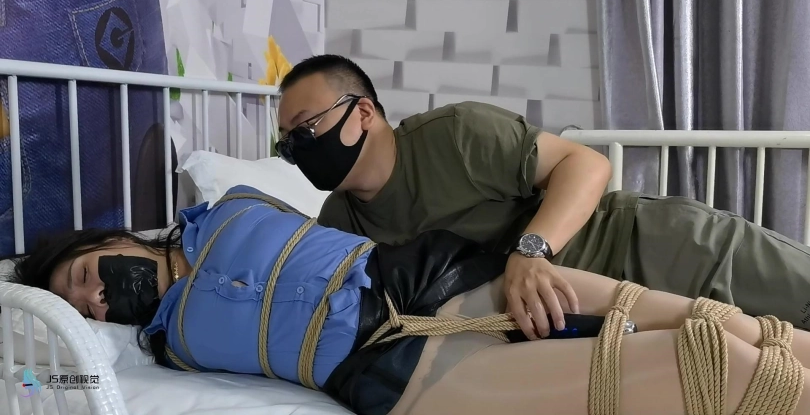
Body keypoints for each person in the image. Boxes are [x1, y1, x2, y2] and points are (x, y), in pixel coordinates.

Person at [7, 185, 810, 415]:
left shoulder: (229, 205)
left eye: (86, 276)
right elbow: (49, 379)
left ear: (113, 239)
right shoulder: (162, 348)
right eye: (88, 308)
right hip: (395, 371)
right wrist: (39, 360)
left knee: (725, 320)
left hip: (436, 274)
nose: (99, 299)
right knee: (715, 362)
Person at [274, 54, 810, 340]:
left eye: (306, 127)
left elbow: (586, 164)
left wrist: (530, 252)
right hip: (592, 319)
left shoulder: (455, 136)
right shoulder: (339, 224)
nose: (298, 147)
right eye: (287, 142)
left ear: (363, 112)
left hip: (654, 247)